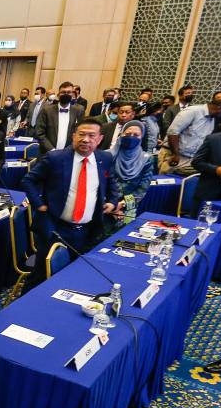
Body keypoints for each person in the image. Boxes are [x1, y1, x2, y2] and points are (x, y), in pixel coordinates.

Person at [21, 117, 122, 286]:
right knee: (40, 275)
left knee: (75, 276)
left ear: (99, 139)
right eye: (81, 134)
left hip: (87, 230)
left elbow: (111, 180)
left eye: (91, 135)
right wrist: (39, 204)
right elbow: (28, 180)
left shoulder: (104, 158)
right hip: (55, 228)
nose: (86, 139)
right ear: (73, 136)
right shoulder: (55, 158)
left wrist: (112, 200)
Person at [165, 93, 221, 176]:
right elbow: (173, 132)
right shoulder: (192, 111)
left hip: (191, 160)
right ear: (219, 108)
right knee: (167, 185)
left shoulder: (212, 119)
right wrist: (175, 154)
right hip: (174, 157)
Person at [111, 120, 154, 224]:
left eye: (136, 135)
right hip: (106, 205)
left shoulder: (147, 159)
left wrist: (122, 204)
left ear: (141, 138)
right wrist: (112, 205)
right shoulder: (108, 155)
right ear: (121, 134)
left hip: (129, 206)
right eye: (128, 134)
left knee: (123, 234)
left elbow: (142, 188)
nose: (131, 137)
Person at [34, 81, 84, 155]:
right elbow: (39, 133)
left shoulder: (79, 110)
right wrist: (52, 150)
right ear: (58, 95)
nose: (66, 94)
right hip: (47, 153)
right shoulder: (46, 110)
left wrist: (68, 150)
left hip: (69, 153)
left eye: (69, 92)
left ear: (72, 94)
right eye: (63, 92)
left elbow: (79, 133)